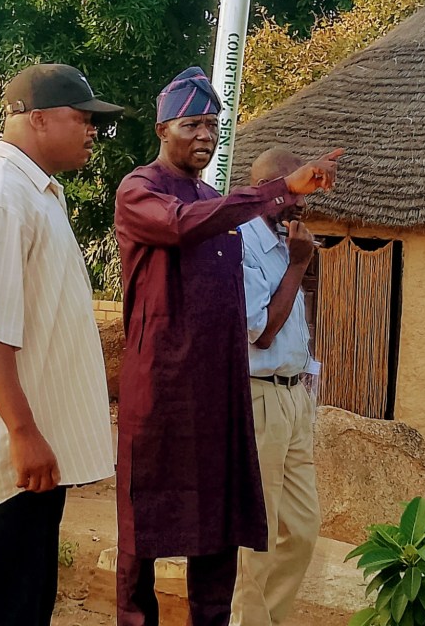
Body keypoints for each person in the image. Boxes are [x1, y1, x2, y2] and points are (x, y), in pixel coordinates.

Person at [113, 67, 342, 626]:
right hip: (161, 392)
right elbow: (181, 225)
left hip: (219, 392)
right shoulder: (140, 190)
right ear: (163, 129)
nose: (205, 135)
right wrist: (278, 191)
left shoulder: (215, 200)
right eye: (191, 124)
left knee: (219, 528)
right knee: (144, 532)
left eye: (213, 125)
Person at [0, 64, 120, 626]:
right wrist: (22, 433)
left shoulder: (36, 194)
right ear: (38, 119)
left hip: (26, 463)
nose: (92, 131)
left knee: (25, 610)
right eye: (82, 118)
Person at [230, 148, 321, 626]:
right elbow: (261, 331)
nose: (299, 202)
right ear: (263, 190)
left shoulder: (290, 243)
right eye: (290, 192)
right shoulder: (242, 244)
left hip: (293, 397)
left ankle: (269, 619)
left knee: (303, 528)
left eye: (302, 193)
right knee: (257, 534)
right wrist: (299, 265)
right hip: (258, 395)